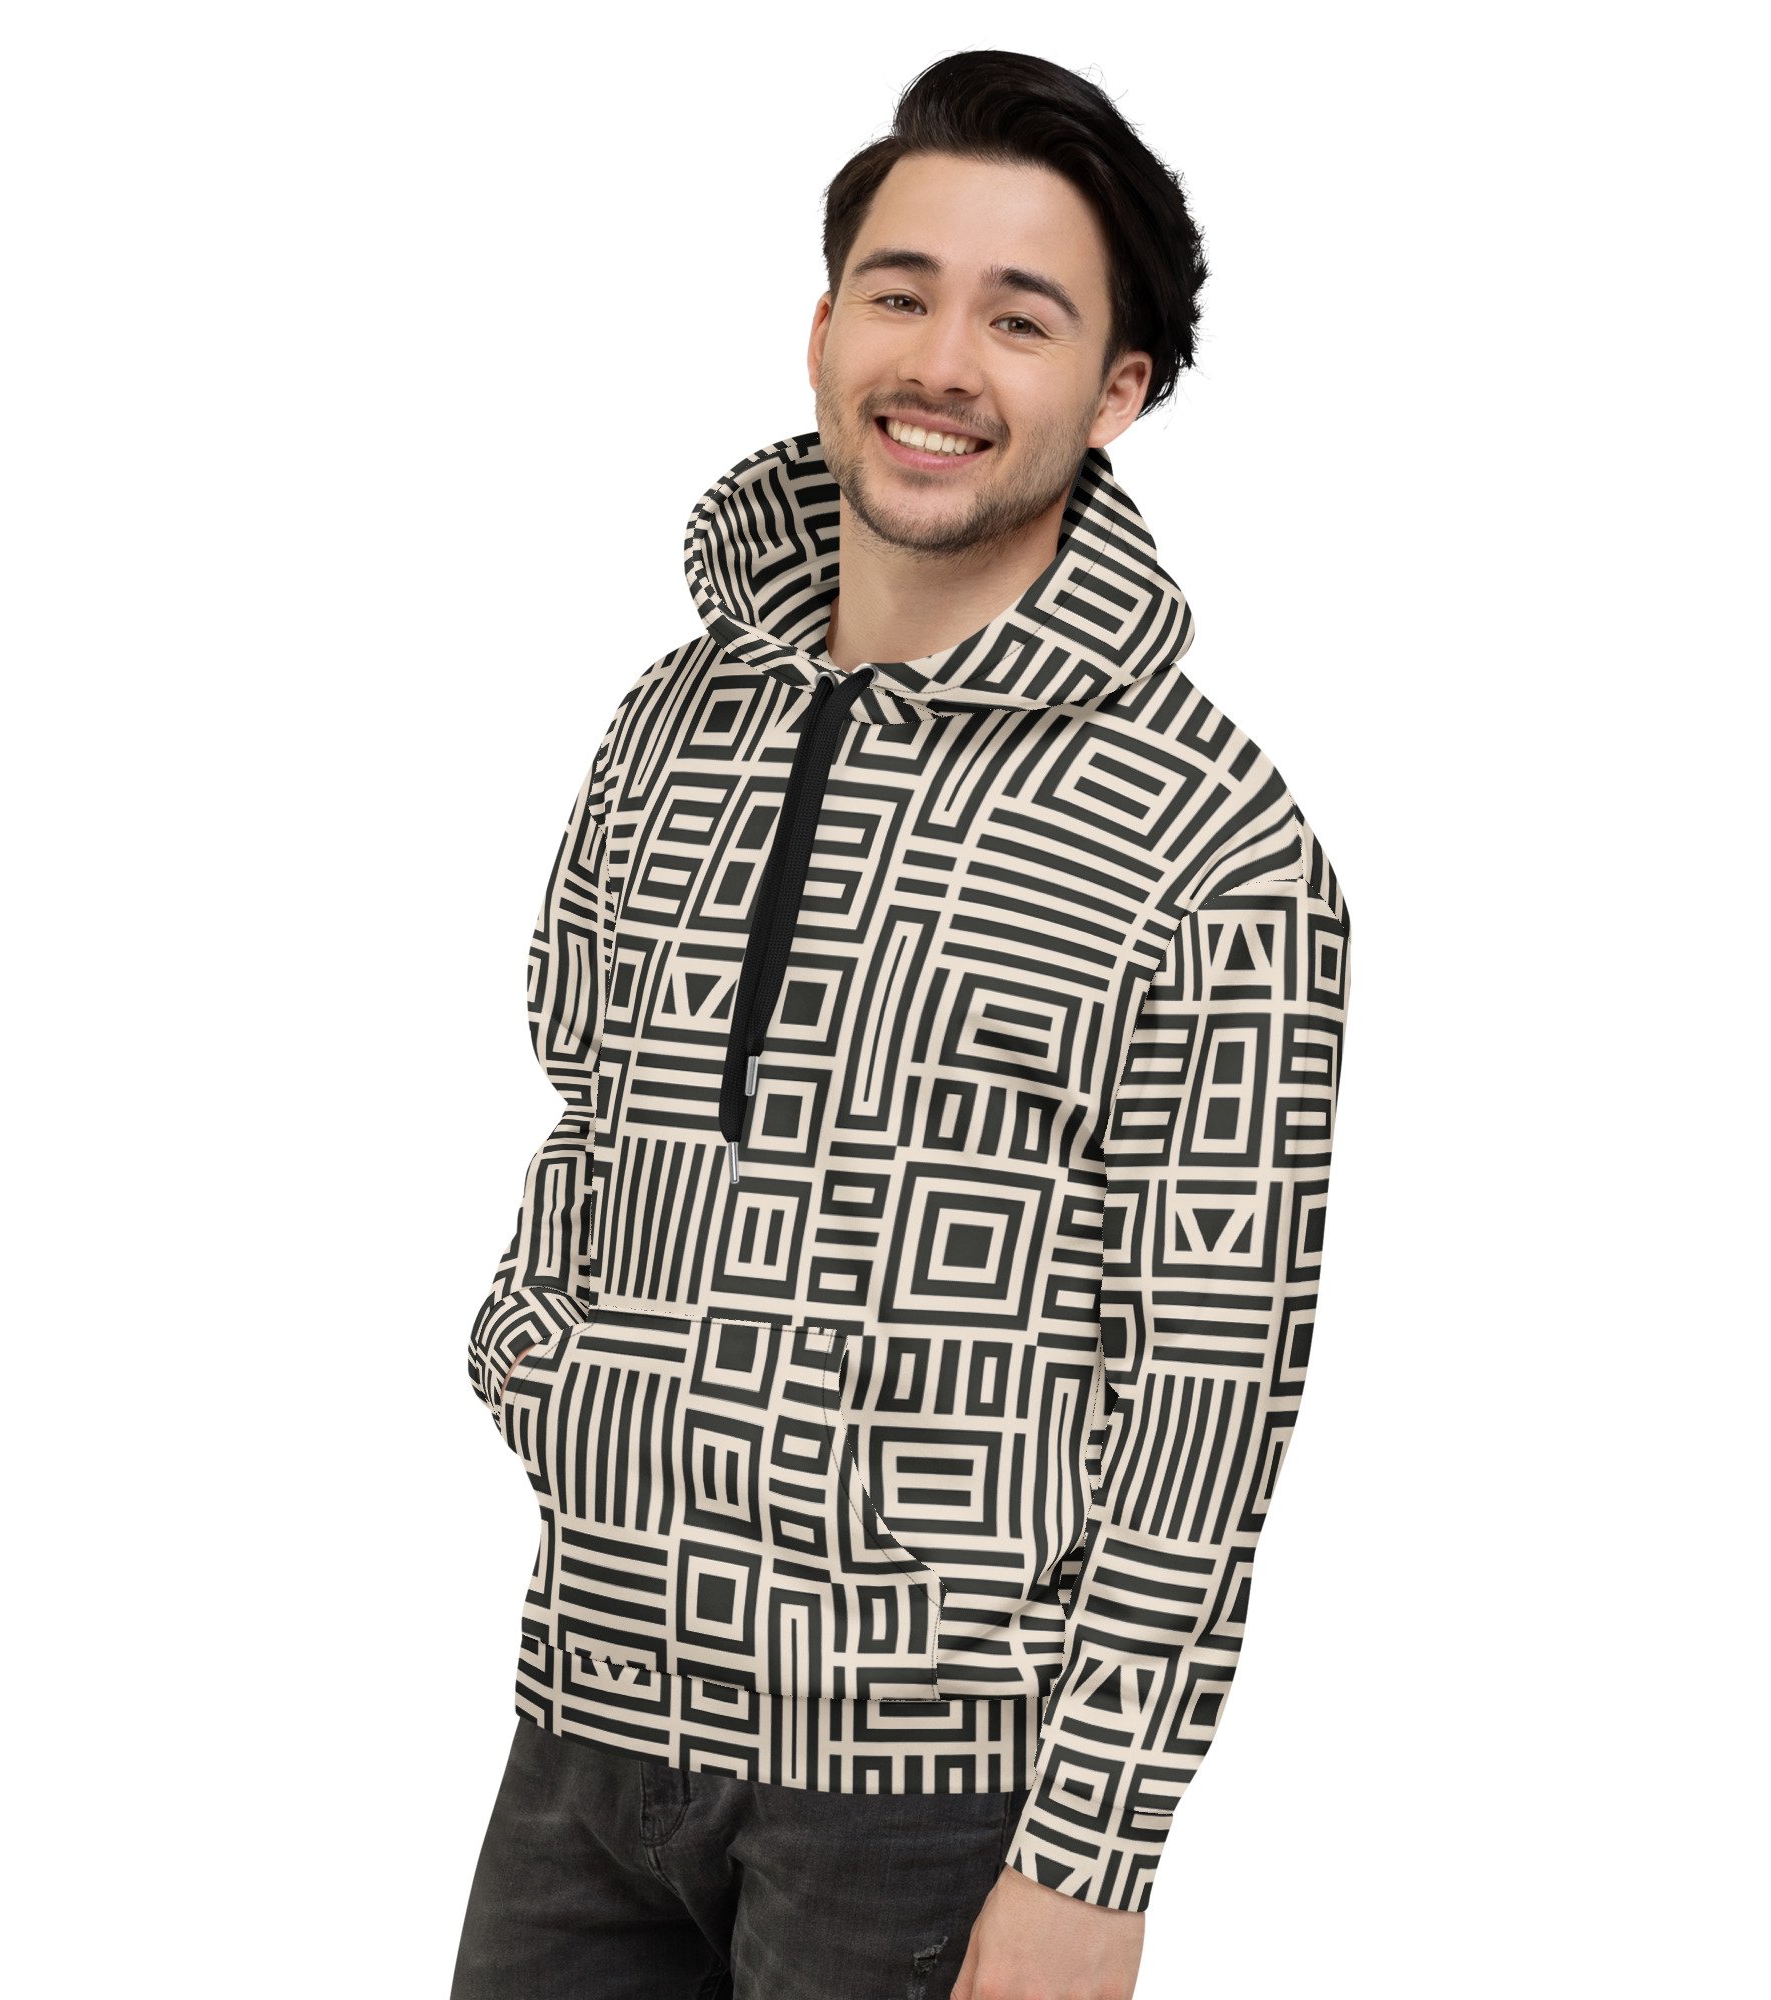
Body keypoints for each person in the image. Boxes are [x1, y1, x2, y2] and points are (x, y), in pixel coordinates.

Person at [450, 46, 1353, 2000]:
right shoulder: (669, 720)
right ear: (822, 326)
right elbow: (582, 1100)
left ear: (1115, 391)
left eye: (1021, 318)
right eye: (901, 291)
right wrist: (552, 1378)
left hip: (926, 1800)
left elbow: (1210, 1382)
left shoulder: (1212, 841)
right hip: (582, 1725)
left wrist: (1092, 1853)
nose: (942, 362)